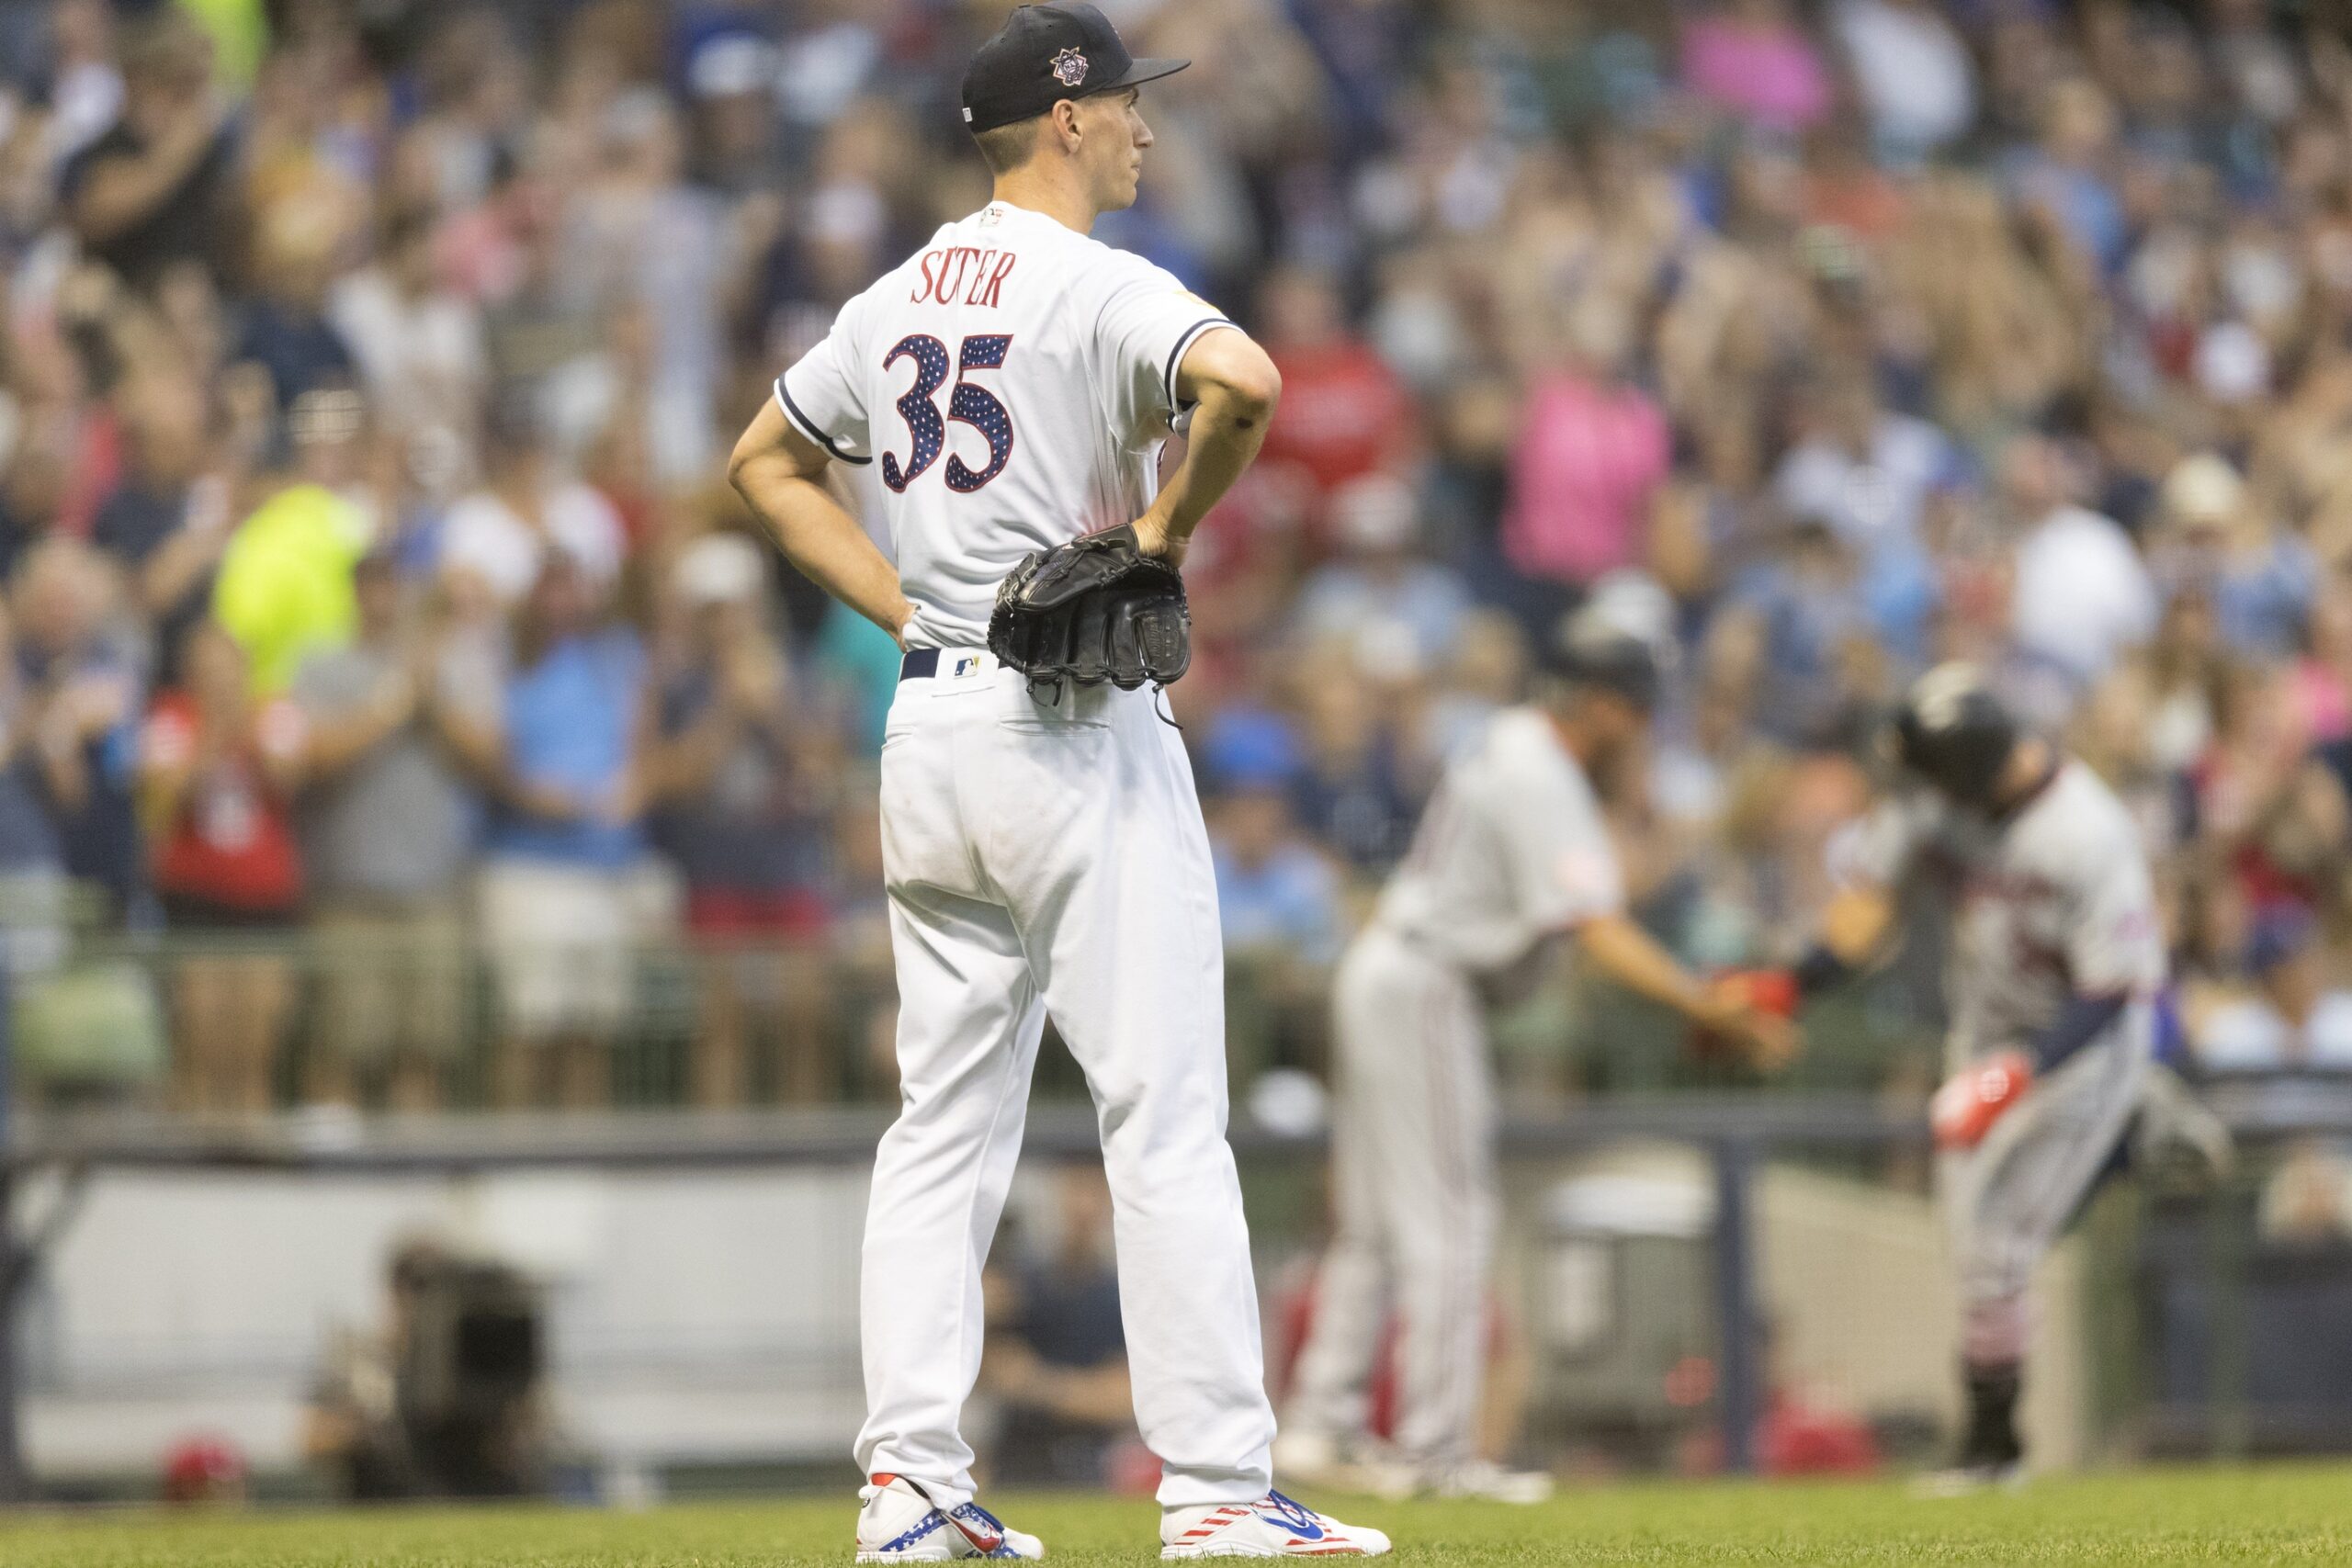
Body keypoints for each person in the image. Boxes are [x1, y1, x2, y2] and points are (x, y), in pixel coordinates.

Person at [726, 5, 1386, 1557]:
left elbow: (763, 460)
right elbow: (1247, 385)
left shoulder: (890, 298)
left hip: (932, 731)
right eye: (1132, 104)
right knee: (1161, 1111)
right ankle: (1220, 1490)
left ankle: (909, 1487)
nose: (1152, 127)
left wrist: (901, 603)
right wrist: (1158, 540)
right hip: (1073, 733)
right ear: (1070, 119)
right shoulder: (1102, 282)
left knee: (940, 1124)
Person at [1278, 609, 1794, 1504]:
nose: (1643, 729)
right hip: (1426, 986)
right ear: (1597, 704)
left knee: (1372, 1225)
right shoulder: (1541, 772)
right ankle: (1434, 1453)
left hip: (1393, 970)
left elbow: (1592, 892)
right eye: (1635, 710)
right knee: (1452, 1222)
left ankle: (1321, 1427)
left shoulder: (1514, 741)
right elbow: (1596, 927)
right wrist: (1706, 1002)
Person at [1784, 664, 2165, 1489]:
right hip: (1984, 1037)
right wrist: (1791, 984)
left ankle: (1993, 1449)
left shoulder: (2088, 831)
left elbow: (2112, 989)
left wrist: (2013, 1080)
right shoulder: (1935, 802)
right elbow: (1871, 906)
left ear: (1965, 771)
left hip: (2079, 1053)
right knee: (1968, 1253)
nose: (1915, 788)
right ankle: (1991, 1447)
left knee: (1999, 1251)